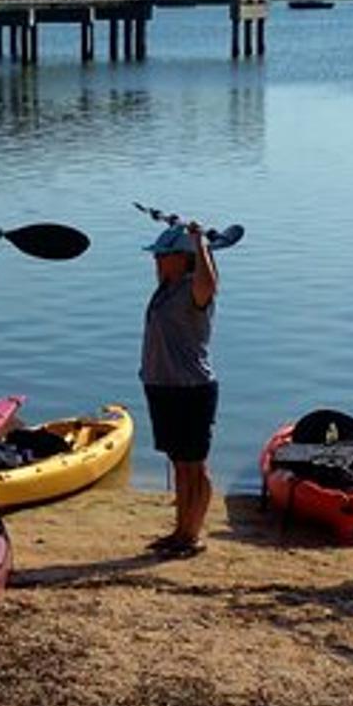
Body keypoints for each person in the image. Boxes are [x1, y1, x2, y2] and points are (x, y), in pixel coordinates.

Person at [140, 221, 218, 559]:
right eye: (157, 255)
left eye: (163, 255)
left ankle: (192, 535)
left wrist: (200, 244)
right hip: (161, 386)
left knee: (195, 465)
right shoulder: (166, 288)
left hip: (191, 388)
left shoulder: (194, 290)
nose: (157, 261)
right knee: (179, 463)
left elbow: (209, 282)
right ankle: (179, 531)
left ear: (182, 259)